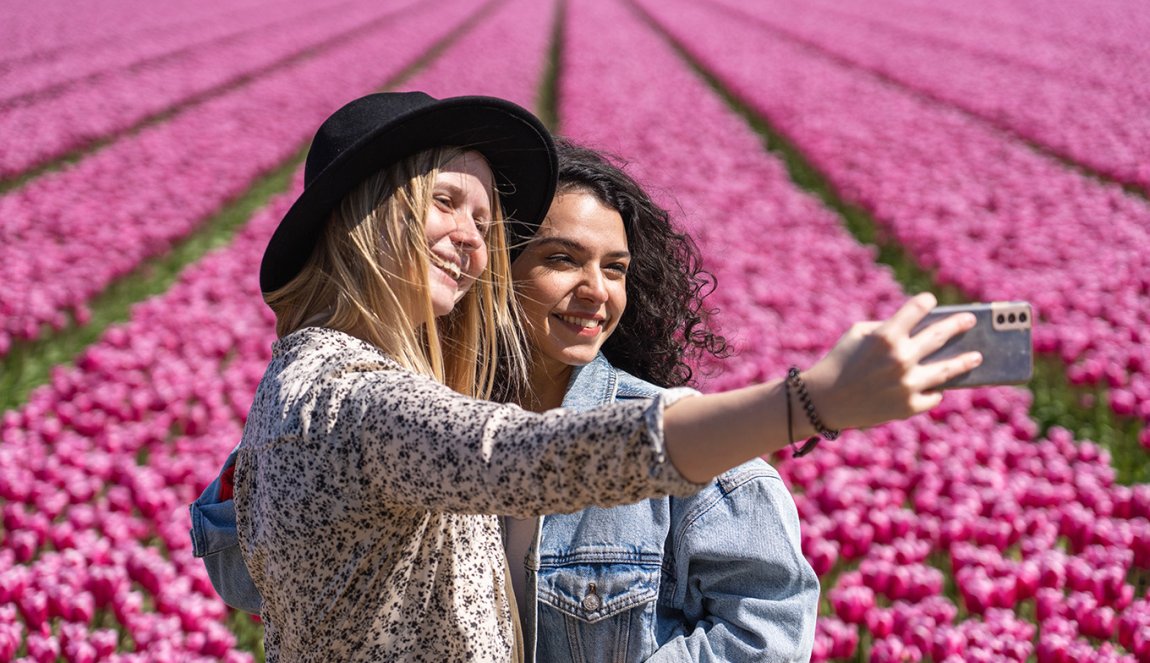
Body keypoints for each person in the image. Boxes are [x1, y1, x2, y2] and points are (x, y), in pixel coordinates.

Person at [192, 91, 981, 662]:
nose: (472, 239)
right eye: (445, 203)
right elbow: (530, 458)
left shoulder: (301, 384)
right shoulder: (359, 401)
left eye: (485, 221)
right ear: (374, 215)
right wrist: (805, 402)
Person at [501, 138, 819, 662]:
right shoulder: (435, 432)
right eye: (562, 259)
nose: (596, 290)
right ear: (496, 269)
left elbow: (768, 633)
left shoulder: (688, 449)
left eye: (615, 268)